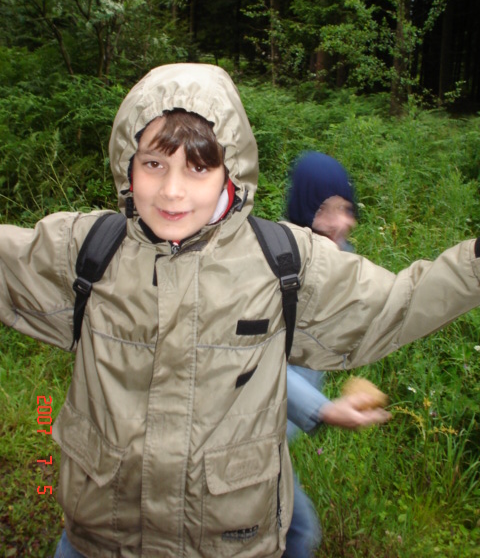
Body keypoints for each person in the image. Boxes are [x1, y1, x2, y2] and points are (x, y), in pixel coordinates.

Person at [0, 63, 478, 558]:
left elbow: (396, 305)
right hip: (97, 540)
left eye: (198, 167)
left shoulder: (282, 263)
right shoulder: (86, 250)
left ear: (231, 170)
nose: (172, 191)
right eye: (154, 164)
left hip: (229, 542)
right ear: (127, 164)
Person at [284, 151, 390, 558]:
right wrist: (324, 409)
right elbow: (255, 360)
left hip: (272, 436)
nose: (339, 222)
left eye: (346, 208)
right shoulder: (277, 266)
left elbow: (389, 302)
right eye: (324, 208)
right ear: (303, 210)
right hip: (240, 432)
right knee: (297, 531)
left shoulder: (340, 260)